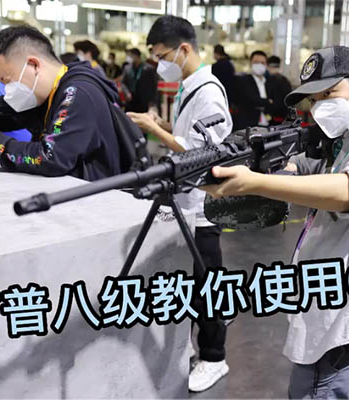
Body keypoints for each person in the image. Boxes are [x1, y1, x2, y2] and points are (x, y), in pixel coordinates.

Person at [202, 46, 349, 398]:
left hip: (344, 316)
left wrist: (254, 183)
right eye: (314, 100)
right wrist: (275, 163)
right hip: (329, 303)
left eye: (329, 94)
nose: (320, 107)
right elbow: (312, 167)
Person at [126, 15, 233, 393]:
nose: (159, 64)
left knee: (208, 286)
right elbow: (189, 135)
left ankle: (215, 357)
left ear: (184, 49)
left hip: (202, 207)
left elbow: (205, 152)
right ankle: (191, 347)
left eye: (162, 56)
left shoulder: (209, 91)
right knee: (191, 282)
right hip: (185, 204)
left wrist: (155, 130)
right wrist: (161, 124)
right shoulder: (189, 86)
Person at [0, 25, 125, 181]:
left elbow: (51, 158)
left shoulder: (77, 93)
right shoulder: (50, 95)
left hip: (102, 197)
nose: (7, 89)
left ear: (34, 65)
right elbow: (7, 114)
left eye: (7, 81)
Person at [233, 50, 280, 130]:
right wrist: (268, 101)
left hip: (267, 124)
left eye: (262, 63)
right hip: (248, 125)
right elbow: (252, 100)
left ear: (266, 65)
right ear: (250, 63)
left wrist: (268, 102)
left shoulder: (271, 81)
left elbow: (276, 102)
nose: (259, 65)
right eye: (256, 62)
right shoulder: (243, 80)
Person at [120, 48, 159, 113]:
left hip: (143, 101)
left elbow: (153, 87)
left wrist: (152, 103)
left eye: (130, 56)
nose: (129, 58)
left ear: (137, 56)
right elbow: (123, 83)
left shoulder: (148, 69)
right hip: (130, 100)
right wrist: (126, 93)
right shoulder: (127, 68)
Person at [266, 55, 292, 122]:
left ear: (268, 66)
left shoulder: (269, 80)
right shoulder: (286, 80)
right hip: (284, 118)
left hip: (272, 119)